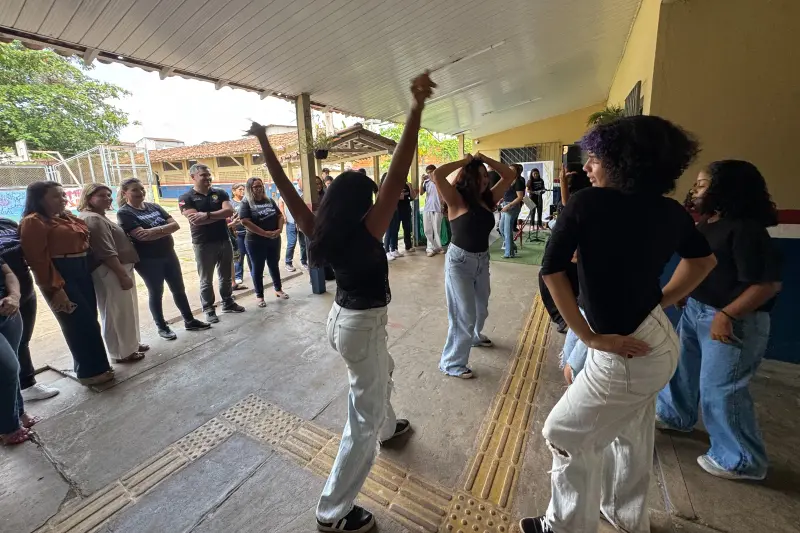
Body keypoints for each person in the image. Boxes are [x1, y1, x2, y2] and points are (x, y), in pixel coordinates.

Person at [248, 71, 435, 533]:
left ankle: (389, 429)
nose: (377, 201)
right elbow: (399, 168)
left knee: (382, 371)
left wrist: (264, 142)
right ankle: (332, 512)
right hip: (361, 326)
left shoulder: (318, 226)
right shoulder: (368, 229)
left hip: (342, 321)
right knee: (361, 420)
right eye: (370, 198)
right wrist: (415, 109)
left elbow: (282, 185)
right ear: (360, 204)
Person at [519, 115, 717, 533]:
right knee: (630, 432)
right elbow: (703, 261)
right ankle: (625, 517)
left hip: (624, 350)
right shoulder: (670, 211)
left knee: (563, 433)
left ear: (622, 161)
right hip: (654, 338)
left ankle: (565, 526)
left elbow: (551, 271)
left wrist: (588, 336)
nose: (588, 166)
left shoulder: (587, 204)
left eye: (596, 158)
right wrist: (660, 301)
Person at [656, 160, 782, 481]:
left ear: (726, 189)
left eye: (702, 184)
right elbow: (701, 265)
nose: (695, 190)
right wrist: (687, 291)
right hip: (697, 311)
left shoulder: (746, 230)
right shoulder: (709, 223)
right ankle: (675, 415)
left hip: (732, 320)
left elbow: (767, 285)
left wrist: (727, 315)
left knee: (721, 388)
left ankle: (742, 459)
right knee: (682, 368)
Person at [431, 153, 517, 378]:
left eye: (486, 176)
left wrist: (485, 159)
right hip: (459, 263)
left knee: (481, 308)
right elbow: (437, 174)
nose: (485, 180)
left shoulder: (487, 199)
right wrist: (464, 162)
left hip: (482, 260)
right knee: (464, 314)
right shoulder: (456, 199)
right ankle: (451, 363)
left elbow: (509, 175)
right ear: (469, 177)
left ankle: (475, 337)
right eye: (480, 176)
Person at [20, 182, 114, 386]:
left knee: (90, 320)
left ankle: (99, 366)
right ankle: (89, 372)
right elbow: (38, 260)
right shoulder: (33, 221)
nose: (63, 199)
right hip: (60, 274)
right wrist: (55, 289)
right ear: (39, 199)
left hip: (81, 269)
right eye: (56, 196)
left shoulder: (65, 216)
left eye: (63, 195)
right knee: (78, 324)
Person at [116, 178, 210, 340]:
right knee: (156, 292)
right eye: (135, 190)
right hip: (148, 259)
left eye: (141, 188)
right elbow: (141, 236)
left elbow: (176, 225)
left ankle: (189, 320)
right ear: (125, 193)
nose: (140, 192)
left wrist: (153, 231)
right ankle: (162, 327)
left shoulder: (154, 206)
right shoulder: (125, 213)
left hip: (168, 253)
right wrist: (164, 230)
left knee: (178, 289)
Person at [78, 184, 149, 363]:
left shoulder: (99, 216)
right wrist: (121, 275)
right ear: (89, 198)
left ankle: (131, 345)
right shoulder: (92, 218)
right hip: (111, 270)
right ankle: (121, 352)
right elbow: (106, 251)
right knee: (116, 312)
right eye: (102, 195)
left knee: (126, 310)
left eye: (109, 195)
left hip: (119, 268)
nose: (108, 198)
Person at [0, 217, 59, 401]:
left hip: (23, 290)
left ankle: (26, 385)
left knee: (22, 341)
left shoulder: (7, 223)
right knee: (6, 356)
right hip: (4, 300)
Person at [179, 164, 245, 323]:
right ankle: (208, 308)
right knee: (206, 279)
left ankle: (228, 302)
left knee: (226, 276)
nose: (208, 178)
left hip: (224, 239)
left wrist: (206, 215)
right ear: (193, 177)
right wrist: (218, 215)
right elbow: (195, 220)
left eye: (209, 175)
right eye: (203, 175)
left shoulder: (220, 192)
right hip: (203, 243)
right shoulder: (186, 198)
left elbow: (229, 211)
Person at [539, 164, 590, 334]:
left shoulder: (583, 197)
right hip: (567, 247)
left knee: (558, 279)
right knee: (556, 280)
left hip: (573, 249)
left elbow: (569, 211)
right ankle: (565, 318)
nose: (588, 167)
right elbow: (565, 206)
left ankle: (565, 319)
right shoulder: (574, 194)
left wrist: (562, 183)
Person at [0, 258, 39, 445]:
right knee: (8, 368)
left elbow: (8, 273)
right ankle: (8, 428)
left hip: (9, 313)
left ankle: (18, 412)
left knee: (12, 364)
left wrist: (14, 296)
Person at [239, 177, 287, 305]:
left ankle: (278, 289)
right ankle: (259, 295)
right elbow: (245, 221)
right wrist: (264, 233)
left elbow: (280, 215)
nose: (259, 189)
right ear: (250, 188)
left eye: (260, 186)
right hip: (256, 241)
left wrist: (279, 229)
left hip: (273, 239)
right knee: (258, 268)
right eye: (255, 187)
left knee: (274, 265)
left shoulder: (269, 200)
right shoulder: (246, 202)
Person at [500, 164, 525, 258]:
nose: (510, 171)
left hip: (512, 207)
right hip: (505, 205)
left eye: (512, 170)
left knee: (507, 230)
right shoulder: (508, 180)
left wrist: (509, 205)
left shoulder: (518, 182)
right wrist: (502, 199)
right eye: (509, 169)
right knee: (501, 228)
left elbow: (520, 197)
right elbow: (507, 193)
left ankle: (509, 253)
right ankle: (512, 246)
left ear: (517, 172)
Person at [229, 183, 250, 289]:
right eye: (240, 189)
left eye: (243, 189)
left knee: (251, 253)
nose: (242, 191)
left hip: (249, 232)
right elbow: (229, 218)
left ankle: (254, 272)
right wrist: (233, 230)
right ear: (234, 191)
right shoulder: (230, 203)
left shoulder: (247, 201)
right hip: (238, 233)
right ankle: (238, 276)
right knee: (240, 255)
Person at [421, 164, 445, 257]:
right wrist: (421, 182)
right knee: (427, 229)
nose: (429, 174)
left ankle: (438, 247)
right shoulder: (426, 182)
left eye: (431, 172)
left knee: (437, 229)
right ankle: (430, 248)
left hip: (438, 207)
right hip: (428, 207)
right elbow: (421, 193)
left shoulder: (441, 181)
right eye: (428, 173)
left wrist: (434, 181)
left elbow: (442, 193)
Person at [281, 191, 308, 272]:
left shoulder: (306, 191)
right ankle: (288, 262)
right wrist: (284, 215)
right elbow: (281, 201)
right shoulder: (292, 189)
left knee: (303, 243)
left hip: (301, 222)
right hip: (291, 222)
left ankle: (304, 262)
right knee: (292, 243)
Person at [380, 173, 403, 261]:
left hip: (395, 210)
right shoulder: (383, 188)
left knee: (395, 230)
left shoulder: (392, 187)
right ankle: (386, 251)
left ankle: (393, 249)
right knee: (389, 231)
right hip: (387, 212)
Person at [397, 179, 417, 253]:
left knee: (407, 228)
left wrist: (410, 187)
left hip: (406, 209)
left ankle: (408, 246)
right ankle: (394, 248)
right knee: (395, 229)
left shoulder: (407, 185)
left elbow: (413, 197)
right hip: (397, 210)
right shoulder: (395, 185)